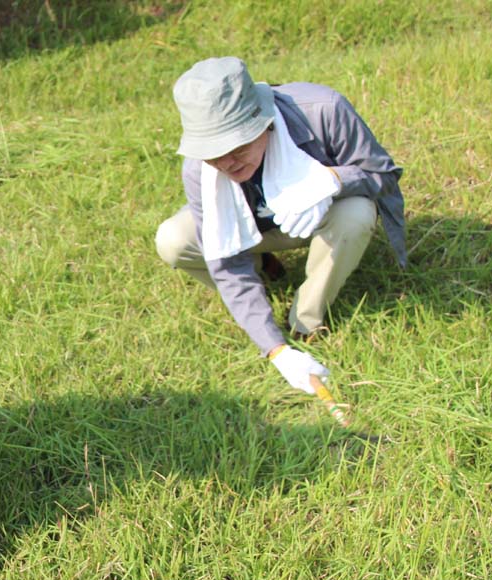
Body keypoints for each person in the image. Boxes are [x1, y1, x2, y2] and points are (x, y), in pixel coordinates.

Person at [155, 57, 404, 394]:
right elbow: (225, 264)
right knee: (172, 239)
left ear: (264, 121)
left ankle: (306, 319)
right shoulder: (198, 170)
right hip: (255, 229)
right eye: (213, 154)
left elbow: (383, 177)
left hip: (321, 219)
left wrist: (332, 180)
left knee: (358, 213)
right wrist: (277, 351)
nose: (226, 162)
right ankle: (262, 270)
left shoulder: (324, 110)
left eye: (237, 145)